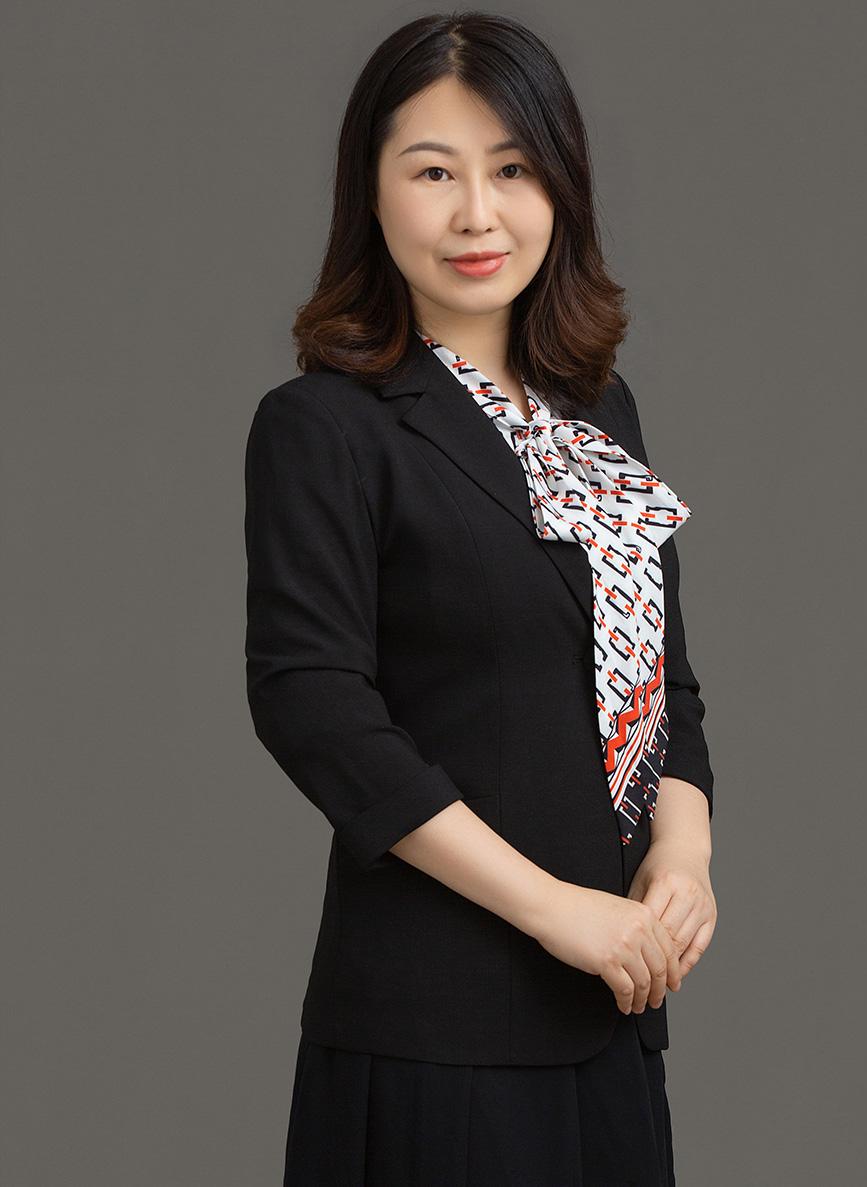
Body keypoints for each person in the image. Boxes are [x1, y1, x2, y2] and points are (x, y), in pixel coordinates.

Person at [243, 12, 717, 1185]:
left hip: (613, 1011)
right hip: (435, 1034)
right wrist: (557, 908)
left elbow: (661, 678)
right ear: (370, 191)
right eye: (433, 172)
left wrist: (684, 854)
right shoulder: (322, 426)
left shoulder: (598, 411)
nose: (476, 214)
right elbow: (314, 706)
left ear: (561, 187)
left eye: (511, 170)